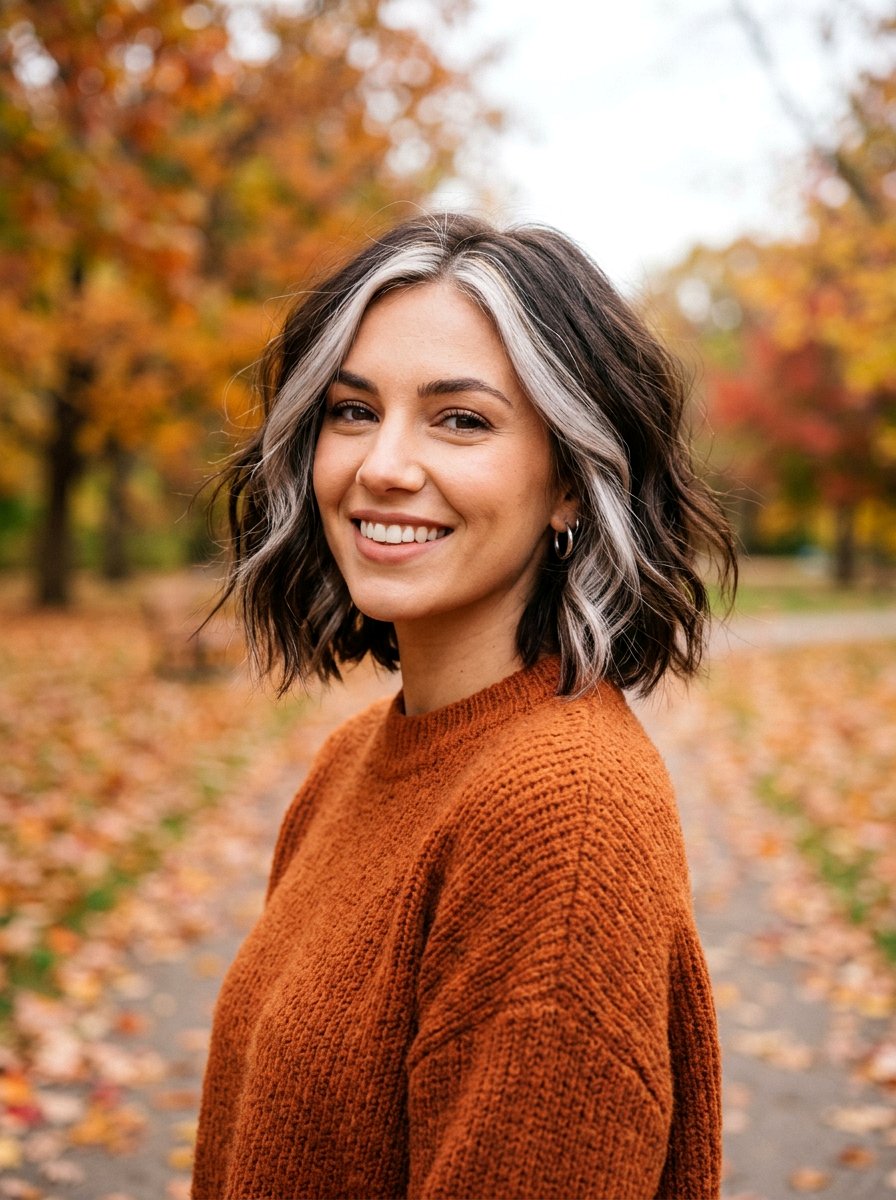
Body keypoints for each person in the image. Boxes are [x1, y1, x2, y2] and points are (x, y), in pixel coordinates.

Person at [191, 212, 737, 1200]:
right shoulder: (359, 758)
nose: (382, 465)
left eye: (460, 419)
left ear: (569, 480)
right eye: (353, 410)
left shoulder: (563, 819)